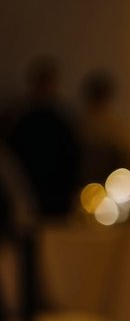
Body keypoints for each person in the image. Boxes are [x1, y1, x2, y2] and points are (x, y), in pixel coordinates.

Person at [5, 57, 81, 217]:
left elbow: (72, 158)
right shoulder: (21, 119)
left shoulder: (62, 120)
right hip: (30, 191)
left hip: (55, 193)